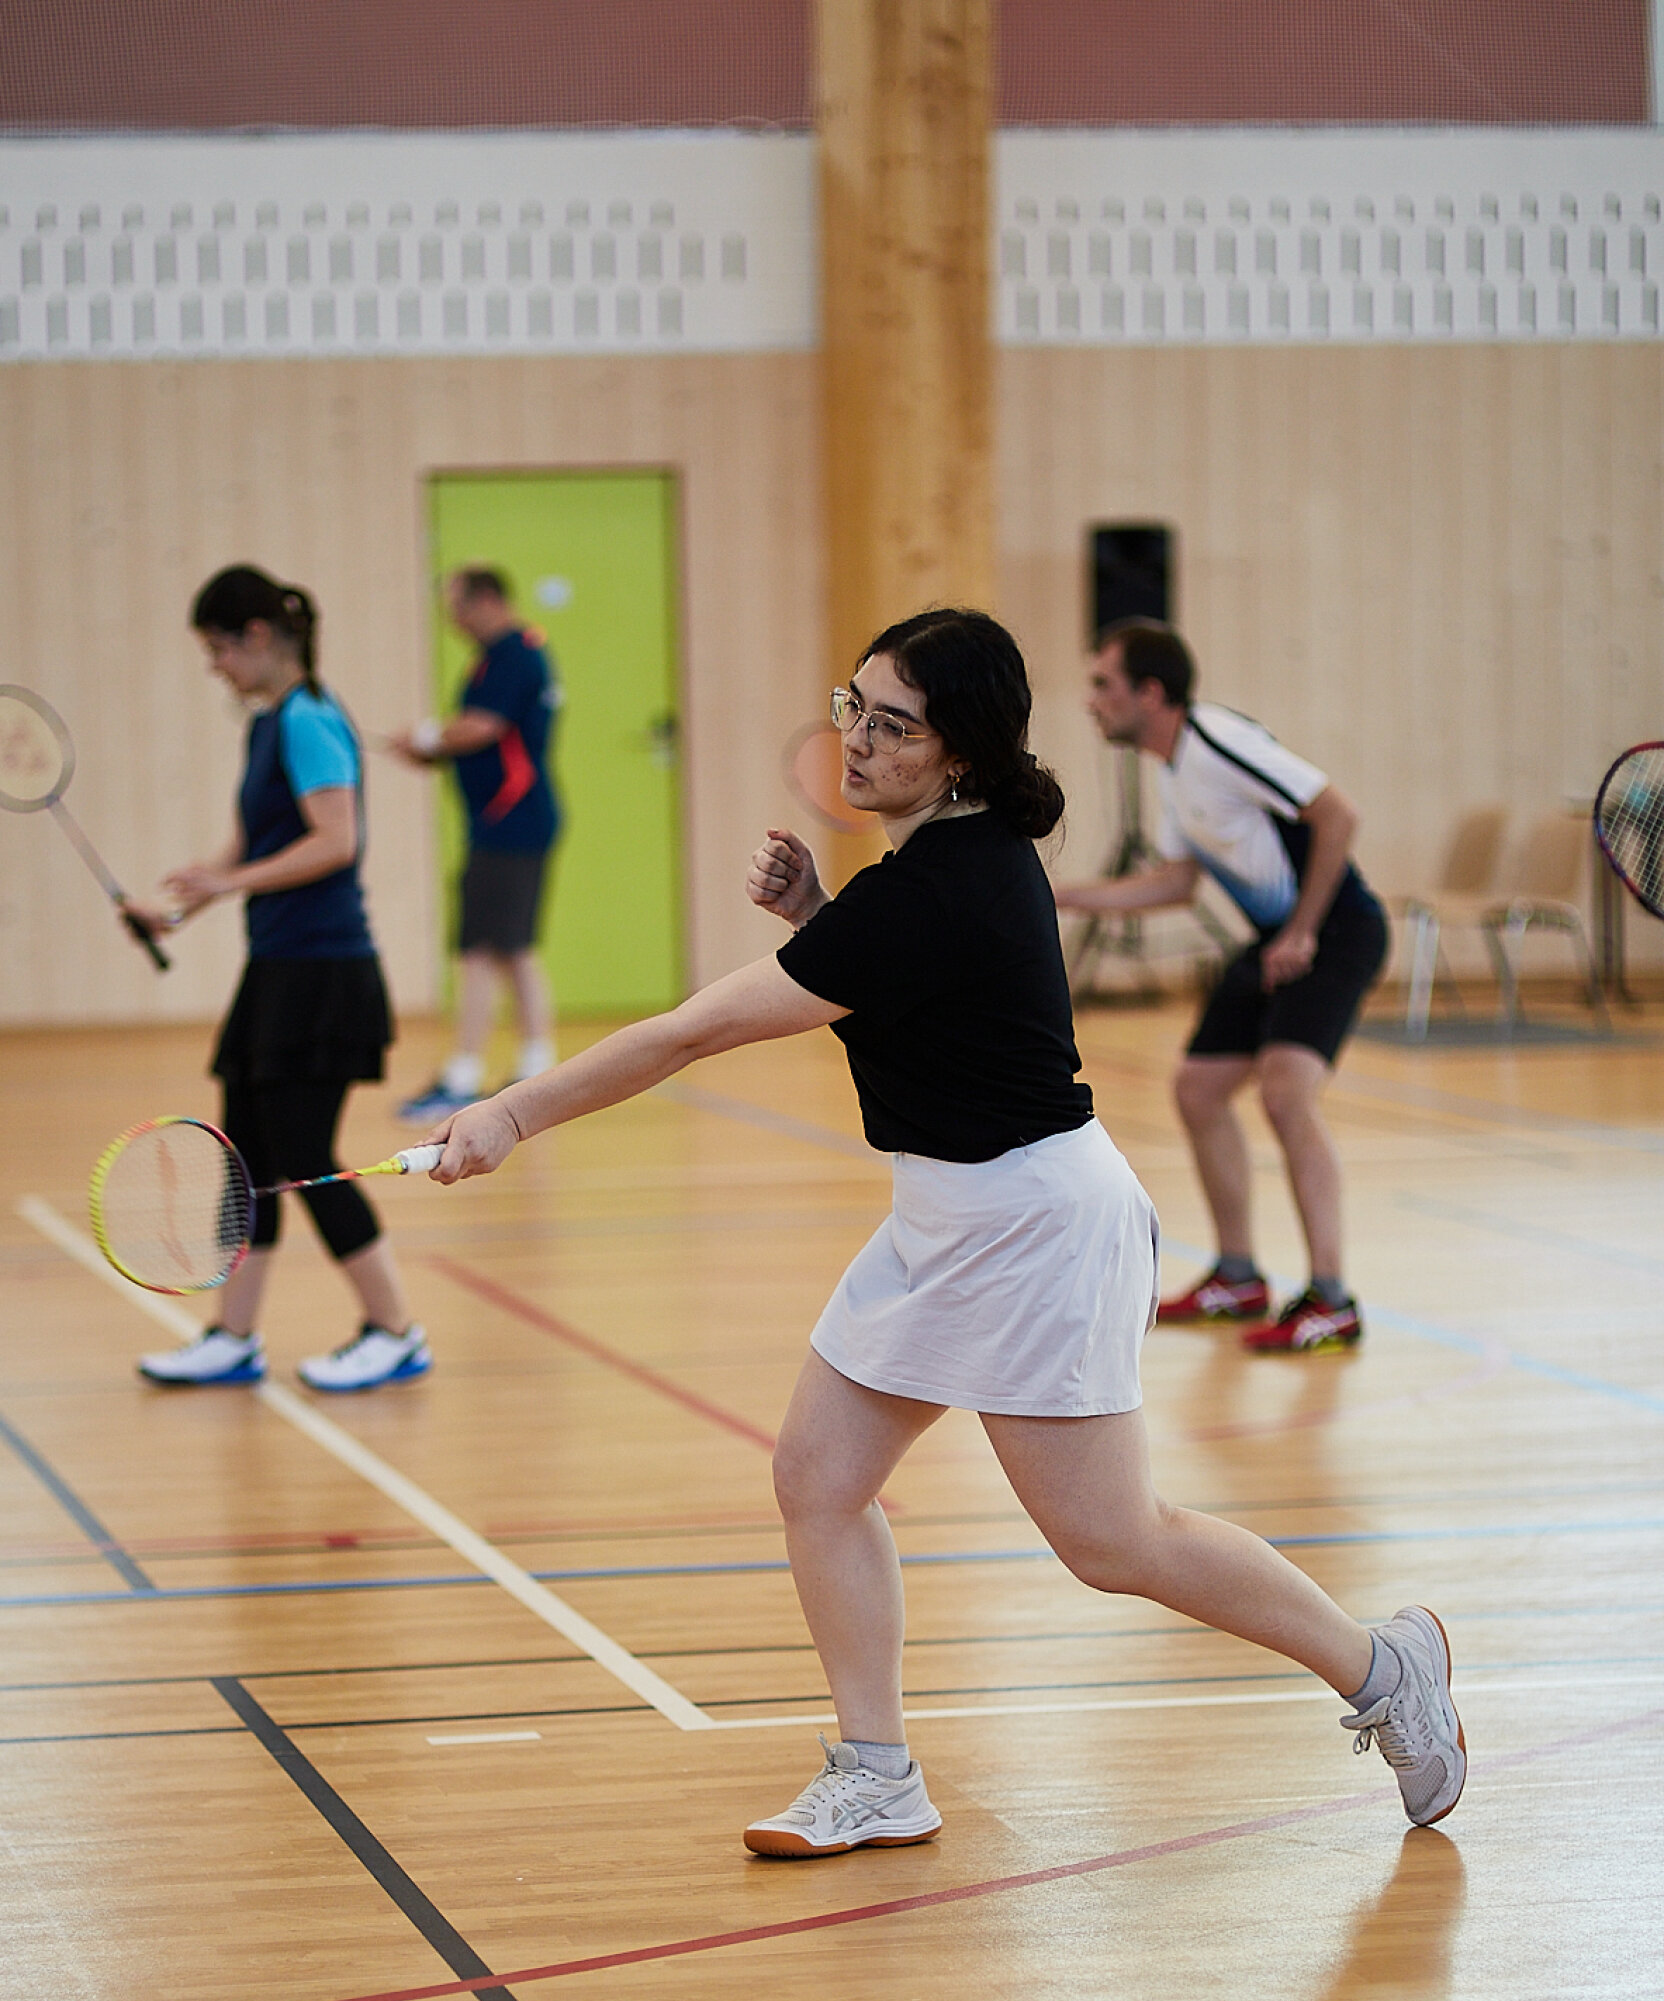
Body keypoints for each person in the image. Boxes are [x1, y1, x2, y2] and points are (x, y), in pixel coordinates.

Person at [414, 607, 1464, 1855]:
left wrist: (512, 1113)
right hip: (944, 1212)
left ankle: (1384, 1667)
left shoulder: (935, 888)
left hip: (1036, 1227)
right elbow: (909, 996)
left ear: (959, 752)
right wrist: (818, 915)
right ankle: (878, 1772)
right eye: (853, 706)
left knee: (1114, 1540)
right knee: (818, 1479)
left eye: (895, 726)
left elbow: (690, 1032)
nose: (858, 741)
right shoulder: (945, 865)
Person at [127, 565, 430, 1393]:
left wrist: (228, 884)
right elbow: (247, 847)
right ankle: (232, 1336)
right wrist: (175, 908)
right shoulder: (266, 724)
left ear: (258, 637)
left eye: (220, 649)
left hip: (325, 974)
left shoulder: (309, 718)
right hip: (278, 970)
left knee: (301, 1154)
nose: (215, 667)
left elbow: (336, 840)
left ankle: (395, 1329)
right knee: (248, 1158)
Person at [1052, 621, 1388, 1353]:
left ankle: (1332, 1299)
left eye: (1104, 684)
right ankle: (1238, 1277)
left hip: (1336, 930)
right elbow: (1177, 883)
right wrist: (1065, 897)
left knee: (1285, 1092)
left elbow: (1339, 813)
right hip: (1278, 938)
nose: (1092, 700)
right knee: (1199, 1089)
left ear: (1151, 693)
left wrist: (1303, 930)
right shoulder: (1172, 768)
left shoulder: (1218, 741)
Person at [388, 565, 562, 1122]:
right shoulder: (500, 656)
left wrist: (425, 736)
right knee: (509, 946)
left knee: (483, 949)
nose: (454, 621)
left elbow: (482, 727)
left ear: (487, 600)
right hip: (503, 822)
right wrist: (430, 751)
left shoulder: (513, 655)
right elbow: (480, 740)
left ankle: (465, 1075)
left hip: (511, 821)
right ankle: (535, 1064)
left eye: (458, 608)